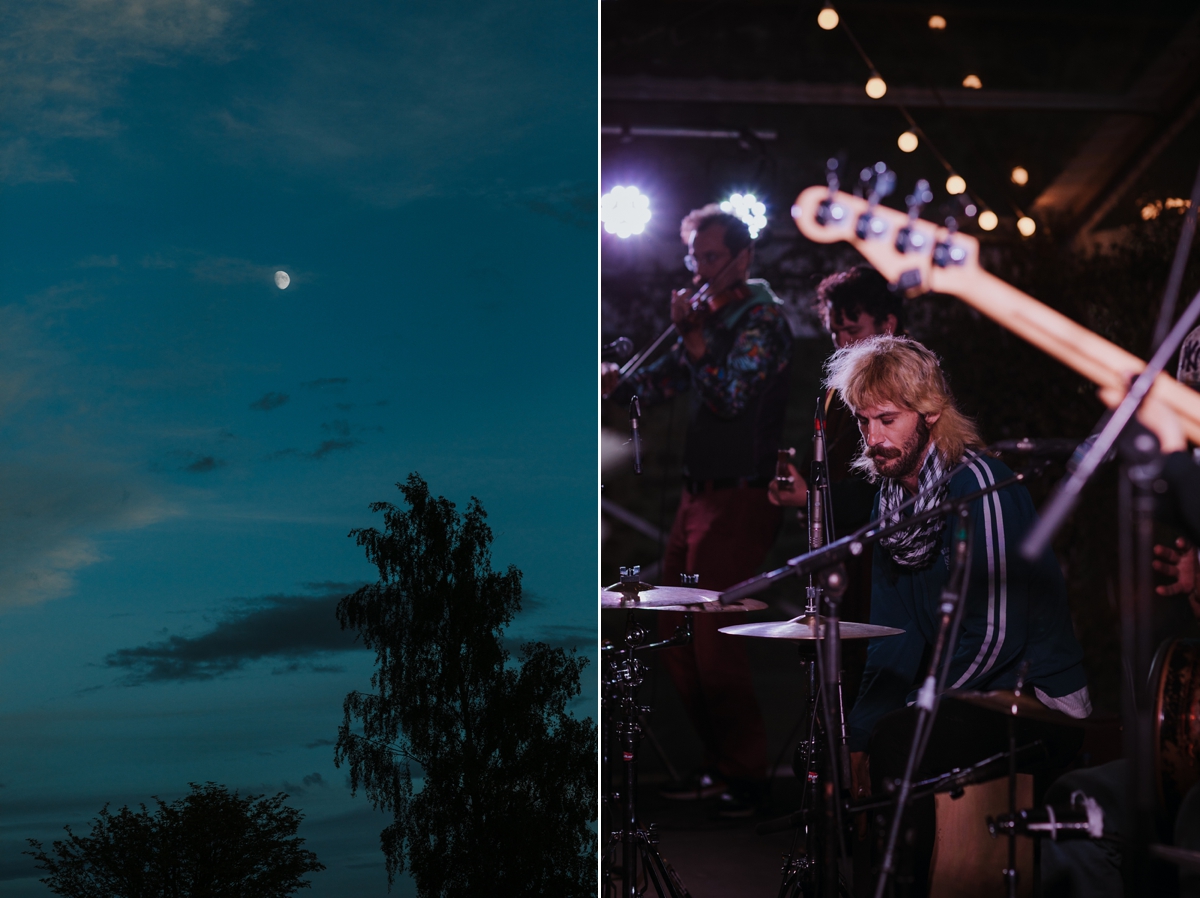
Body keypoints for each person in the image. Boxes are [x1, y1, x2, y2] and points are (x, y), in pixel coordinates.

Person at [827, 335, 1090, 895]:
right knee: (866, 746)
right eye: (863, 422)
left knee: (903, 743)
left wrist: (914, 710)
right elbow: (890, 637)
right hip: (967, 689)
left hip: (1038, 697)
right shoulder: (892, 498)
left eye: (887, 419)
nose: (873, 438)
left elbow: (997, 634)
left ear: (930, 414)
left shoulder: (978, 486)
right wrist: (859, 733)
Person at [601, 205, 793, 815]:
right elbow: (662, 383)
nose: (701, 270)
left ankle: (745, 774)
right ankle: (720, 767)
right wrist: (618, 380)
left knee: (712, 635)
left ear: (743, 257)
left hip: (740, 493)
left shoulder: (762, 318)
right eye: (695, 259)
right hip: (696, 494)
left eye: (711, 257)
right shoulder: (711, 318)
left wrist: (692, 338)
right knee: (673, 630)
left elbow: (730, 397)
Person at [768, 266, 903, 707]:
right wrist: (799, 484)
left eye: (853, 329)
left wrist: (810, 494)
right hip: (838, 560)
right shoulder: (835, 390)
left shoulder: (897, 388)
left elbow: (879, 488)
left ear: (888, 325)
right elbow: (823, 475)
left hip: (880, 564)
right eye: (835, 332)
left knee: (870, 681)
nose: (843, 342)